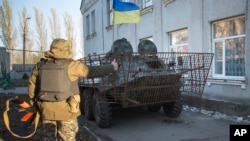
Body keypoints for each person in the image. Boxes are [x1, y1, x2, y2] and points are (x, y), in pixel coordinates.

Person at [28, 38, 118, 141]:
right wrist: (112, 67)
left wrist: (35, 106)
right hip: (67, 112)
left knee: (48, 138)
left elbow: (32, 87)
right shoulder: (71, 65)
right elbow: (92, 71)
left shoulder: (39, 66)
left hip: (46, 111)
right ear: (66, 50)